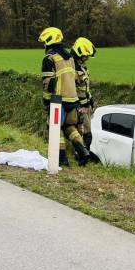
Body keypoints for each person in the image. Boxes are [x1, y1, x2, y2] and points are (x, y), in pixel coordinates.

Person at [39, 27, 90, 166]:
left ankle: (61, 159)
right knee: (69, 127)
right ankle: (83, 150)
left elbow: (48, 83)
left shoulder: (49, 59)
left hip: (58, 101)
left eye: (44, 42)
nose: (44, 45)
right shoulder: (70, 58)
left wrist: (46, 101)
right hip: (73, 100)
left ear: (49, 41)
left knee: (55, 128)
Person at [71, 37, 97, 152]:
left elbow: (85, 88)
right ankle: (81, 156)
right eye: (86, 56)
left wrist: (90, 101)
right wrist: (79, 106)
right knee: (83, 134)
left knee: (88, 135)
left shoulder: (82, 67)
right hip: (79, 109)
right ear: (79, 53)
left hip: (85, 108)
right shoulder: (72, 69)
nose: (87, 58)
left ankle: (84, 154)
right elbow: (72, 90)